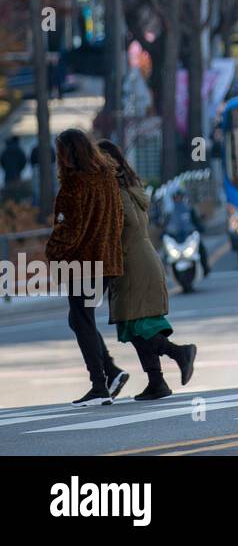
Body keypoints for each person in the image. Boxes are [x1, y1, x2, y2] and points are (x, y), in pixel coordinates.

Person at [98, 141, 197, 401]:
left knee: (139, 324)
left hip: (133, 262)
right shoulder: (132, 186)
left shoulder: (116, 191)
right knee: (135, 325)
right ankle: (157, 382)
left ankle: (180, 353)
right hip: (142, 257)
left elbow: (124, 225)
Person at [44, 129, 129, 406]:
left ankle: (99, 385)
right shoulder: (107, 178)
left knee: (81, 319)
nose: (59, 158)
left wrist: (52, 252)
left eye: (60, 152)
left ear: (69, 152)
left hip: (83, 263)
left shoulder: (74, 184)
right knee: (80, 318)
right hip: (106, 260)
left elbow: (70, 229)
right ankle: (111, 372)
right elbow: (118, 220)